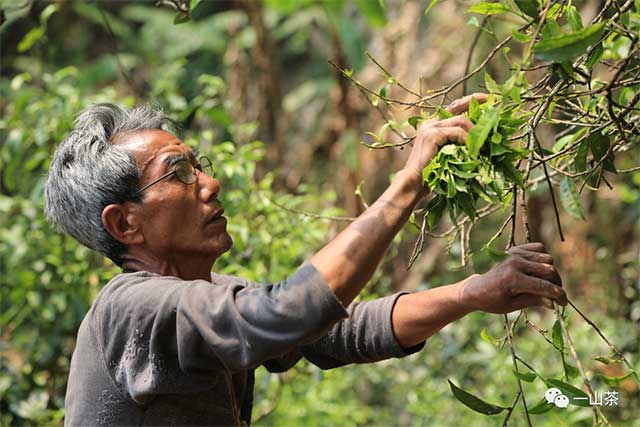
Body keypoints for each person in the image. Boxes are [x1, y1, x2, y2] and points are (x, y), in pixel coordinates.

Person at [44, 94, 567, 426]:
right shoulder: (132, 309)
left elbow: (335, 332)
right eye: (177, 172)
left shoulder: (203, 298)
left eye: (198, 165)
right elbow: (290, 313)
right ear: (125, 224)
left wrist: (470, 293)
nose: (210, 182)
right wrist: (406, 185)